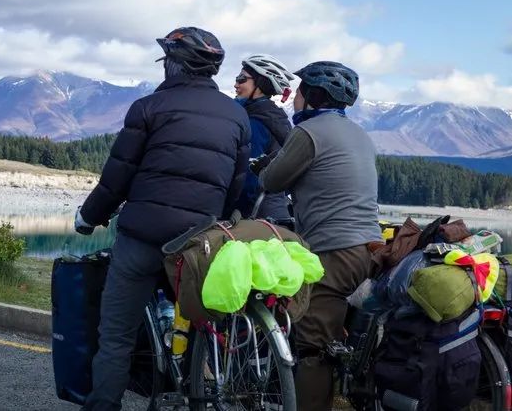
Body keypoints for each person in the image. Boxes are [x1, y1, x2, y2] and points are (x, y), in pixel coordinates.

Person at [74, 26, 251, 411]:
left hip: (142, 238)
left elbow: (117, 176)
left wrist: (88, 217)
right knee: (201, 322)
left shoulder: (148, 108)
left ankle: (104, 404)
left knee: (116, 336)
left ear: (174, 64)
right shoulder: (236, 118)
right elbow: (235, 185)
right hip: (198, 244)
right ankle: (198, 394)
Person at [256, 61, 382, 411]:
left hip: (333, 251)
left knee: (313, 347)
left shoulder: (308, 133)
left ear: (311, 96)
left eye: (298, 92)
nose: (294, 98)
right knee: (341, 338)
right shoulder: (360, 134)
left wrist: (263, 166)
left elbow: (271, 181)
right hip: (370, 248)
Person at [233, 54, 295, 220]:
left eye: (241, 79)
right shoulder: (274, 117)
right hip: (273, 211)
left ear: (260, 85)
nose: (236, 84)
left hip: (254, 216)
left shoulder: (255, 123)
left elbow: (248, 180)